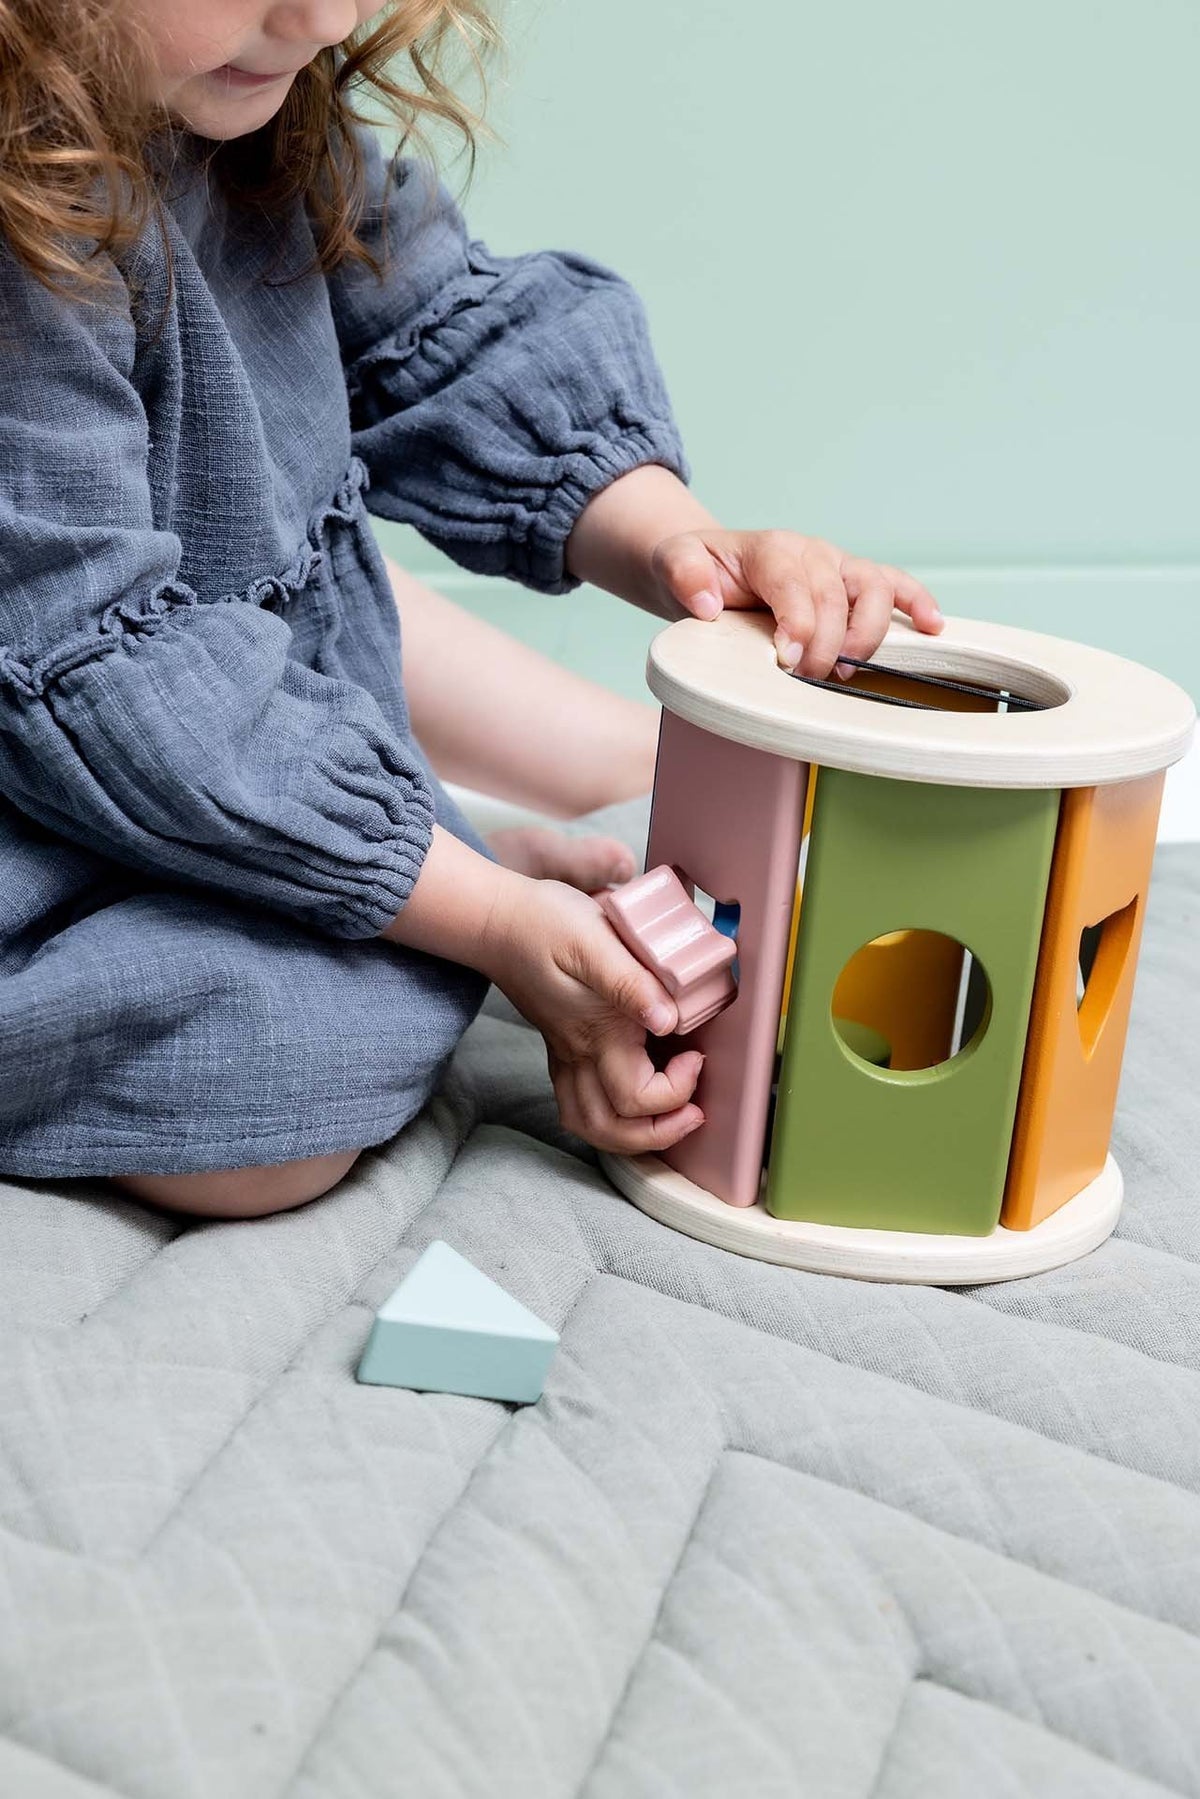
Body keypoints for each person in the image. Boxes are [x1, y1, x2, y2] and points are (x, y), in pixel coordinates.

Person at [0, 0, 944, 1218]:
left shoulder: (241, 119)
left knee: (327, 677)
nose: (324, 16)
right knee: (274, 1121)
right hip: (54, 773)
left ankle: (431, 854)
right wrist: (491, 917)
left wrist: (681, 545)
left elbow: (449, 340)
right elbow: (95, 669)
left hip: (176, 730)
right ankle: (429, 867)